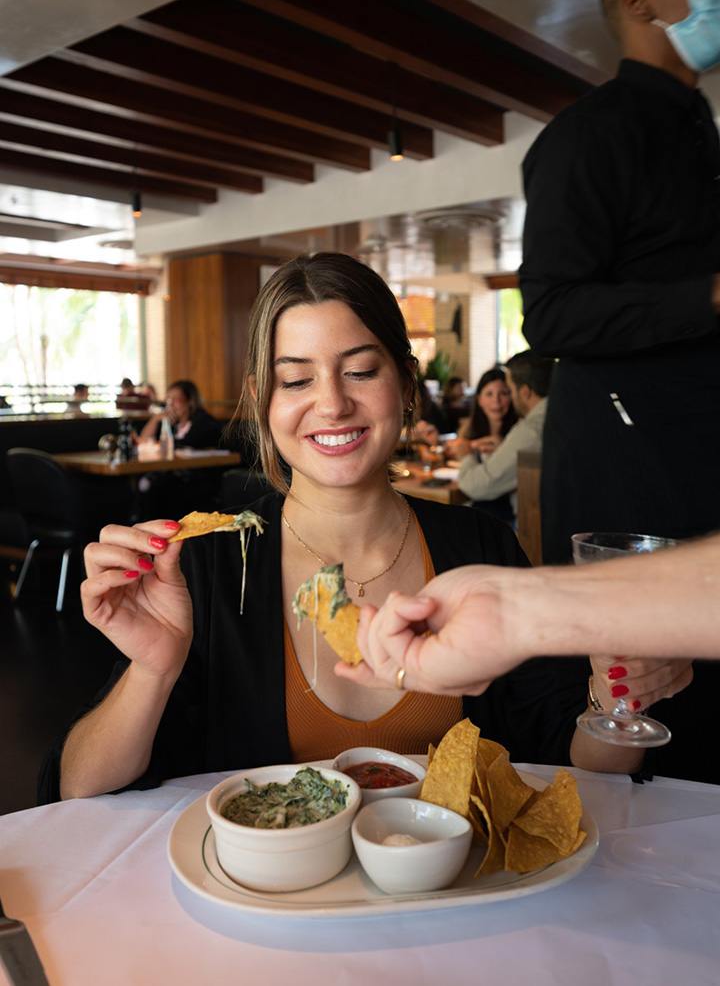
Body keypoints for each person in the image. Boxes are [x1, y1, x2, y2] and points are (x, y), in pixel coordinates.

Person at [39, 253, 588, 804]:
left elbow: (571, 752)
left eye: (360, 371)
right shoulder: (202, 567)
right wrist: (153, 669)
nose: (332, 403)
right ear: (261, 402)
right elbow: (78, 789)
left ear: (406, 383)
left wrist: (620, 700)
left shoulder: (482, 547)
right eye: (296, 379)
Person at [520, 0, 720, 564]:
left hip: (700, 442)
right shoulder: (587, 137)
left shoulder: (700, 133)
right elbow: (549, 316)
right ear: (640, 1)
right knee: (636, 661)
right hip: (629, 460)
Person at [337, 536, 718, 783]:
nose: (333, 406)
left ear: (408, 405)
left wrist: (616, 692)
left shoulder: (483, 542)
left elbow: (589, 771)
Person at [456, 351, 553, 523]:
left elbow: (479, 485)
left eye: (508, 391)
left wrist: (466, 456)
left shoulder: (530, 430)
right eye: (489, 394)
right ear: (479, 399)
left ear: (524, 392)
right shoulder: (552, 417)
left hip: (528, 526)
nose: (497, 401)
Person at [137, 380, 221, 518]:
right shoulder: (172, 424)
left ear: (190, 402)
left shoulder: (203, 421)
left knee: (156, 487)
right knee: (147, 484)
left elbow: (192, 443)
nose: (170, 404)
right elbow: (143, 440)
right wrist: (157, 419)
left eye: (176, 400)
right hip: (176, 475)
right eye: (168, 400)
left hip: (198, 478)